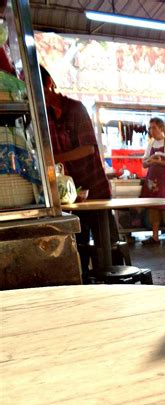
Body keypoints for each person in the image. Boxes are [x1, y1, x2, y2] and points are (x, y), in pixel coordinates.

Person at [39, 65, 118, 279]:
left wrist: (54, 159)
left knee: (108, 246)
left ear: (48, 84)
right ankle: (83, 284)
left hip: (94, 188)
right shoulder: (42, 116)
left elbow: (88, 148)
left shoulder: (75, 109)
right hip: (67, 195)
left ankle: (116, 287)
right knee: (77, 246)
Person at [140, 117, 165, 245]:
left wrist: (157, 161)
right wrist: (150, 159)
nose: (151, 130)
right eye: (150, 128)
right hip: (152, 181)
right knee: (153, 208)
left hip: (164, 181)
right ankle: (155, 237)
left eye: (154, 128)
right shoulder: (150, 144)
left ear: (161, 128)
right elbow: (144, 164)